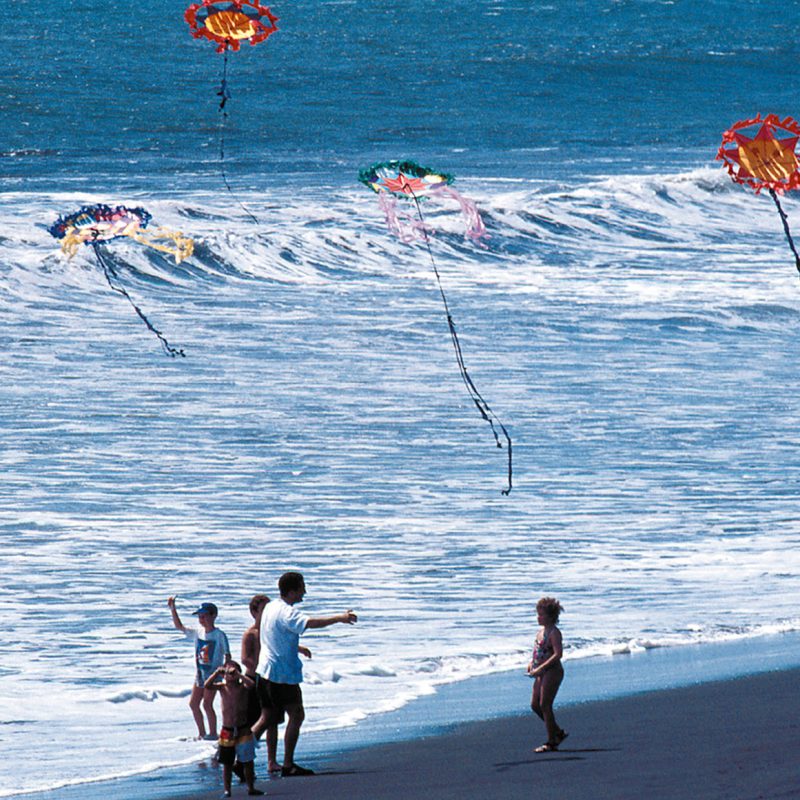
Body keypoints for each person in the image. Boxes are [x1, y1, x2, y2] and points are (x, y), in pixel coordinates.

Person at [251, 571, 357, 777]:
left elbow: (278, 635)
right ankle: (287, 764)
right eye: (302, 588)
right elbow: (310, 623)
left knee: (267, 718)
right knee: (295, 715)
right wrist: (340, 618)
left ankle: (238, 756)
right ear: (291, 591)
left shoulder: (271, 606)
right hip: (281, 675)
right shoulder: (286, 612)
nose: (305, 592)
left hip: (265, 672)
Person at [241, 593, 312, 774]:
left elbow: (278, 643)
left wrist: (299, 648)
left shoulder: (267, 627)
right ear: (254, 612)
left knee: (271, 720)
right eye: (262, 609)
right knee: (266, 719)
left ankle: (270, 761)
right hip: (260, 678)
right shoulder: (251, 633)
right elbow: (245, 659)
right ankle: (243, 758)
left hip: (270, 675)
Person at [168, 596, 231, 740]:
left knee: (207, 704)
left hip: (214, 674)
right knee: (193, 703)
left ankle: (213, 733)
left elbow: (228, 656)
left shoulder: (219, 635)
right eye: (200, 617)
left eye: (204, 616)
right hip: (200, 673)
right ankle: (202, 733)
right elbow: (180, 627)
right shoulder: (198, 632)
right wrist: (173, 609)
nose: (201, 619)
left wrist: (226, 674)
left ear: (213, 615)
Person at [204, 662, 263, 797]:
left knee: (248, 761)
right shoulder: (222, 687)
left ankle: (251, 787)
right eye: (227, 673)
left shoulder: (242, 687)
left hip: (243, 729)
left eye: (233, 672)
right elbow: (207, 685)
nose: (229, 675)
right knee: (227, 763)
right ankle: (227, 790)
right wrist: (217, 673)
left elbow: (252, 684)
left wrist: (238, 674)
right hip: (227, 730)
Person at [527, 596, 568, 752]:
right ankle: (557, 732)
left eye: (542, 615)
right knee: (535, 705)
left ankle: (552, 742)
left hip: (552, 671)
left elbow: (558, 654)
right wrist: (532, 664)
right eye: (538, 614)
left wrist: (541, 668)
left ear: (551, 617)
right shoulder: (540, 632)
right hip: (540, 672)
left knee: (545, 704)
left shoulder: (554, 633)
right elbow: (538, 651)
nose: (538, 617)